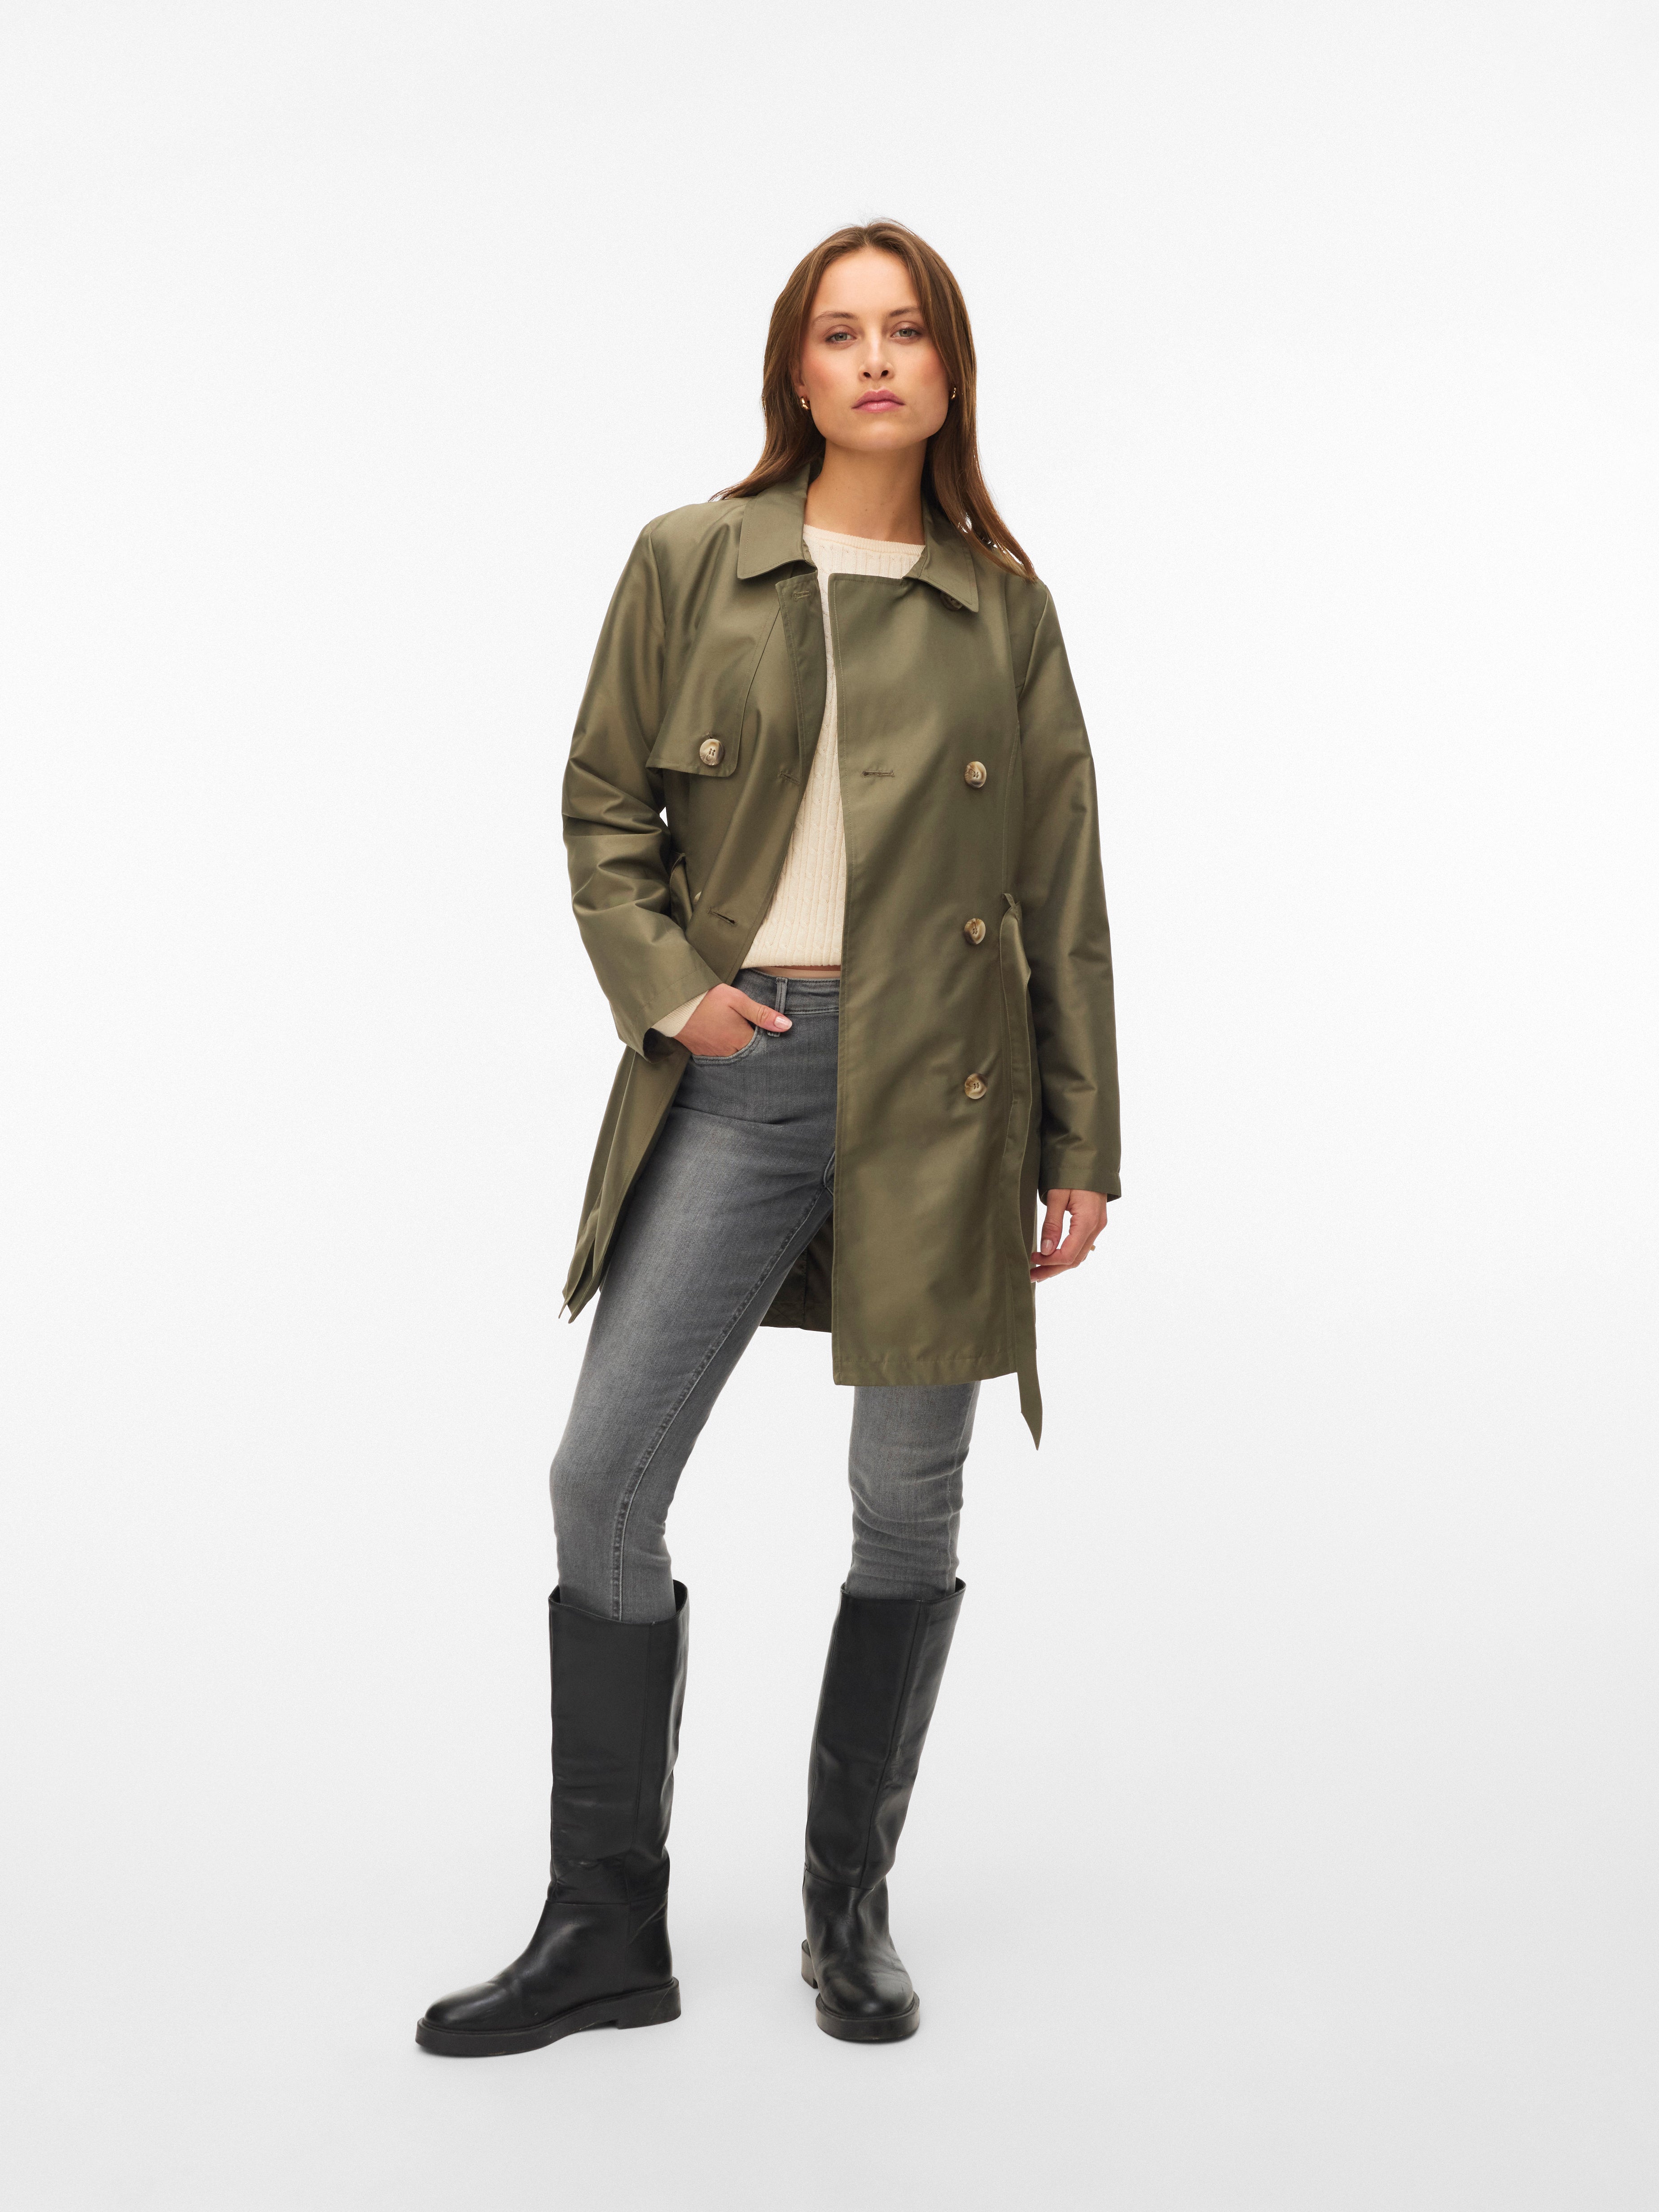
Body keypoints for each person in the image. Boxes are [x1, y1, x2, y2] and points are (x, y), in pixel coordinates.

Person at [416, 219, 1120, 2056]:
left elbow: (1063, 887)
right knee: (603, 1481)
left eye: (908, 330)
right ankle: (603, 1929)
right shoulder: (691, 559)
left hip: (946, 1093)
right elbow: (604, 809)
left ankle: (847, 1909)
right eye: (840, 331)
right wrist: (675, 991)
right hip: (742, 1071)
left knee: (907, 1500)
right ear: (795, 371)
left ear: (949, 372)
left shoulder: (1003, 605)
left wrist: (1082, 1140)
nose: (875, 358)